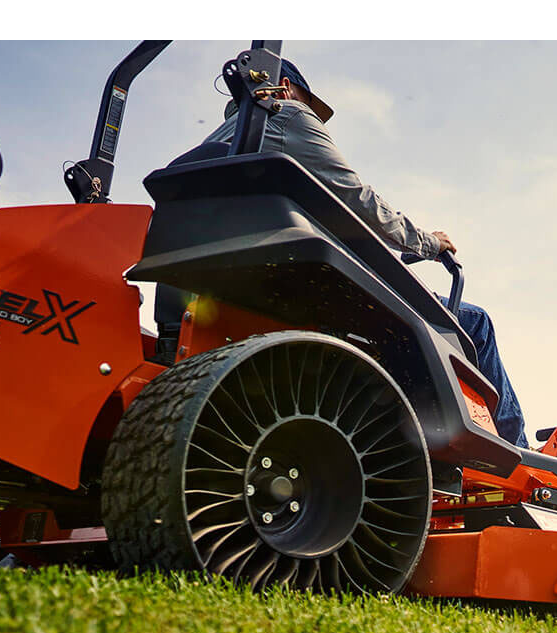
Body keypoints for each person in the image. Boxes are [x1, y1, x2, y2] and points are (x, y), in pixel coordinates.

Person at [202, 59, 529, 449]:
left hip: (234, 282)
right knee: (474, 323)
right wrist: (427, 241)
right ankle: (517, 449)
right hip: (309, 291)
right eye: (310, 105)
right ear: (286, 87)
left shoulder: (215, 145)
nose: (316, 120)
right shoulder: (286, 114)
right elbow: (360, 201)